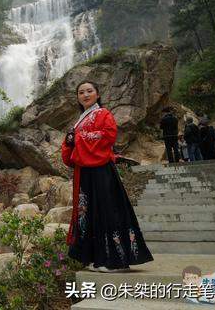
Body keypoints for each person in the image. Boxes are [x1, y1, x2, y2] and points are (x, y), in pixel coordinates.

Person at [62, 81, 153, 272]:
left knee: (106, 210)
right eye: (81, 92)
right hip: (85, 172)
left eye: (89, 91)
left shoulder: (103, 114)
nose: (85, 95)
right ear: (77, 97)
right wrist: (70, 140)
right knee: (89, 212)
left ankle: (115, 260)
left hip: (101, 170)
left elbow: (107, 135)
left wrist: (76, 138)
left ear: (97, 94)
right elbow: (71, 146)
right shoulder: (80, 119)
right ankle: (96, 258)